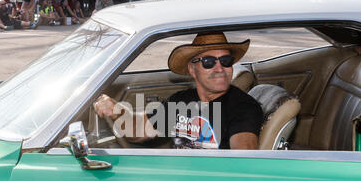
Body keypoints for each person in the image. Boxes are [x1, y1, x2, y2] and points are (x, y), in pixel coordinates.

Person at [93, 32, 264, 150]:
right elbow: (138, 132)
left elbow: (244, 156)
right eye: (209, 62)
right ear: (192, 69)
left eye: (226, 61)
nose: (219, 68)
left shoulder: (243, 107)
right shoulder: (181, 101)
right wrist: (116, 110)